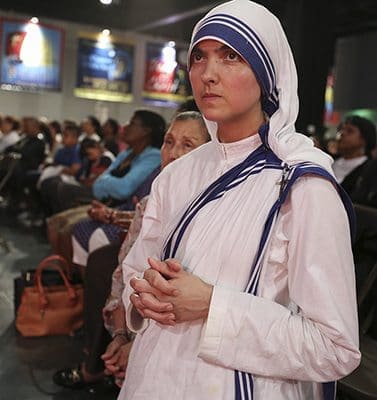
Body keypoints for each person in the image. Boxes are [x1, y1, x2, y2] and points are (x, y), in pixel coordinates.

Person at [119, 1, 360, 399]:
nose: (208, 74)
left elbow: (334, 347)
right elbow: (136, 268)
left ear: (266, 73)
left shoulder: (302, 184)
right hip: (149, 379)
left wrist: (213, 306)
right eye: (199, 57)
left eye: (231, 56)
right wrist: (142, 294)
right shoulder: (177, 175)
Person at [52, 111, 210, 389]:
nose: (172, 154)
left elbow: (177, 299)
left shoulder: (215, 213)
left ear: (211, 155)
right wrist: (122, 335)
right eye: (169, 142)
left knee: (99, 249)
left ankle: (99, 363)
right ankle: (99, 354)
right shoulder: (150, 203)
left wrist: (136, 346)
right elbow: (125, 273)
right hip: (137, 318)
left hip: (179, 340)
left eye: (188, 145)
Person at [332, 115, 376, 195]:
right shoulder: (330, 161)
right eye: (341, 129)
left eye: (350, 131)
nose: (342, 133)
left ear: (364, 139)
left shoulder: (370, 170)